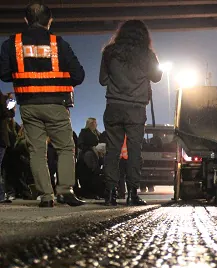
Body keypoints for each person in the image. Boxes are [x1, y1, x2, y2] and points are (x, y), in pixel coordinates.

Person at [0, 2, 85, 208]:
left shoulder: (12, 43)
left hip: (28, 105)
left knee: (37, 151)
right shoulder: (59, 44)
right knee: (65, 147)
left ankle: (46, 196)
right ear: (50, 21)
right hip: (56, 104)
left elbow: (3, 74)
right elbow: (79, 75)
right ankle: (65, 191)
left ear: (26, 20)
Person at [100, 19, 162, 206]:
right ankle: (132, 194)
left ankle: (110, 194)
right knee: (135, 151)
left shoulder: (109, 52)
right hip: (136, 108)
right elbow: (157, 77)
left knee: (112, 151)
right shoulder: (147, 54)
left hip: (114, 107)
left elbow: (103, 80)